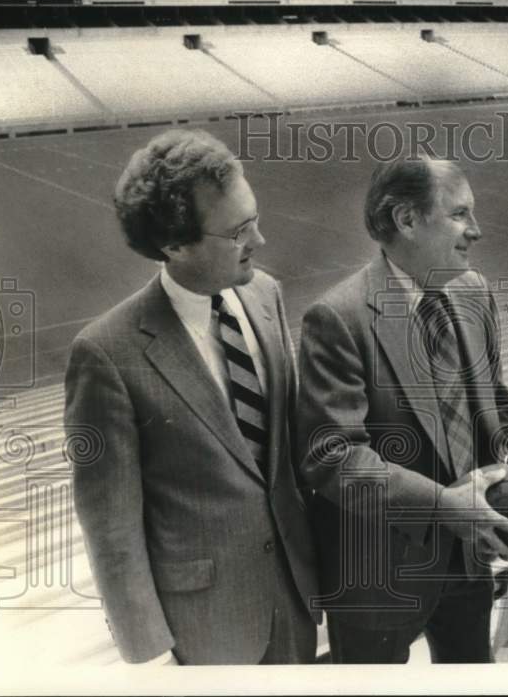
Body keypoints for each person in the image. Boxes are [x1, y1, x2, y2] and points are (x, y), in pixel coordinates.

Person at [64, 129, 319, 665]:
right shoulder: (107, 353)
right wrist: (150, 653)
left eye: (256, 218)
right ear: (174, 245)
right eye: (240, 231)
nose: (261, 241)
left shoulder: (265, 293)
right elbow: (111, 525)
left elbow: (286, 458)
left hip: (294, 596)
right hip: (203, 628)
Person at [296, 155, 508, 663]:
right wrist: (446, 507)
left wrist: (496, 492)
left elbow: (495, 404)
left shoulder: (474, 291)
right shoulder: (339, 317)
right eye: (460, 214)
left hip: (470, 556)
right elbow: (334, 458)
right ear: (405, 220)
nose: (477, 230)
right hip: (380, 574)